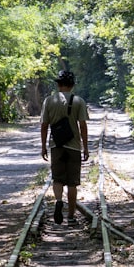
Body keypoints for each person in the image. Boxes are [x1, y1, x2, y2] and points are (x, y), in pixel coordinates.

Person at [40, 70, 89, 225]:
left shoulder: (49, 101)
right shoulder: (78, 101)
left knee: (57, 178)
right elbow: (82, 126)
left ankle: (59, 200)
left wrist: (43, 147)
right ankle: (71, 217)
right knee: (73, 183)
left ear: (58, 84)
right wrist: (85, 147)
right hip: (74, 146)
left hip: (56, 145)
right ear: (72, 85)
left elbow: (44, 125)